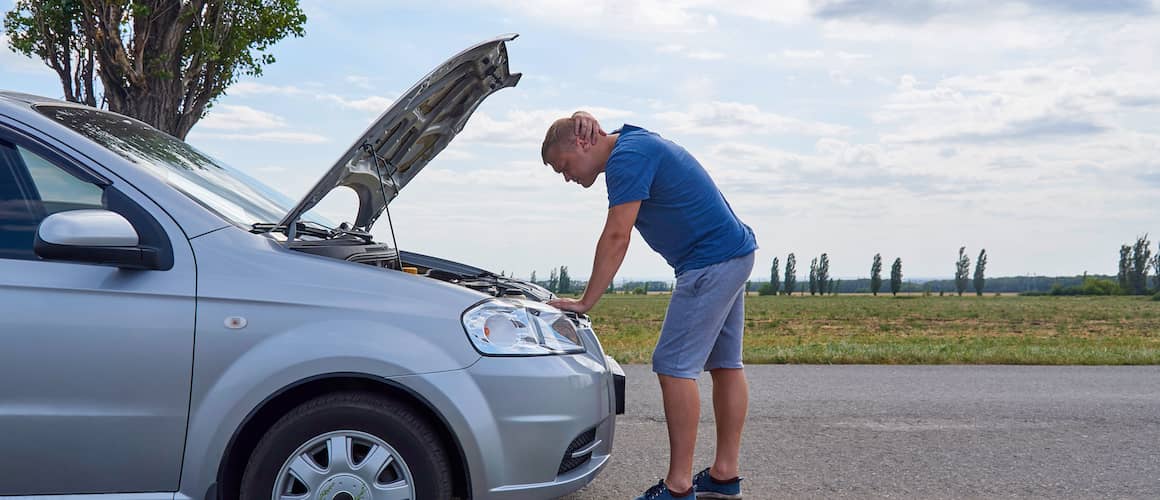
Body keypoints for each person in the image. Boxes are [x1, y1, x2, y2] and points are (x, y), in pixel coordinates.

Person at [542, 111, 757, 500]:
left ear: (582, 143)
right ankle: (725, 477)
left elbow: (617, 235)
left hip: (709, 260)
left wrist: (585, 300)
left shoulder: (627, 158)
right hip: (734, 252)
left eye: (564, 166)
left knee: (674, 368)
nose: (567, 177)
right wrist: (580, 116)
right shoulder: (631, 144)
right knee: (725, 365)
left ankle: (678, 488)